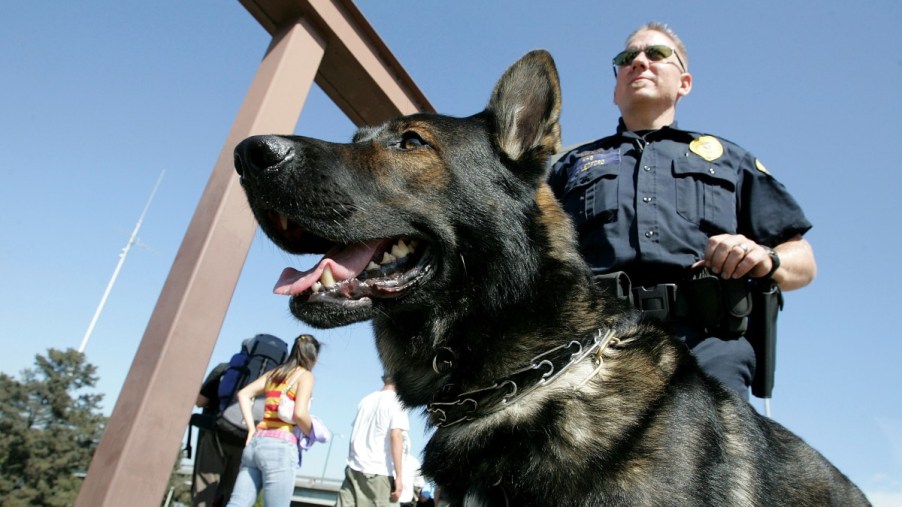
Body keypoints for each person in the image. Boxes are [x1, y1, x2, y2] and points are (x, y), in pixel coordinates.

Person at [548, 22, 816, 400]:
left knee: (714, 455)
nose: (639, 62)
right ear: (615, 90)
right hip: (592, 344)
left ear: (684, 83)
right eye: (627, 58)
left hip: (707, 344)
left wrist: (765, 257)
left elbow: (802, 261)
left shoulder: (729, 159)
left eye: (656, 54)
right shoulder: (569, 165)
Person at [226, 334, 321, 507]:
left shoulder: (273, 374)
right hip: (281, 446)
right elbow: (299, 413)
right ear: (313, 356)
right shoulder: (305, 376)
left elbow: (243, 394)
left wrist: (251, 429)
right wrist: (312, 432)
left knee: (237, 503)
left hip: (256, 442)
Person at [335, 374, 410, 507]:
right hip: (379, 472)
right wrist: (399, 476)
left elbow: (355, 433)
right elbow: (396, 436)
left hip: (354, 469)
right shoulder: (398, 402)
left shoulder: (366, 400)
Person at [191, 361, 242, 507]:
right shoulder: (269, 377)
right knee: (234, 495)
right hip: (245, 440)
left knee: (204, 492)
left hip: (216, 434)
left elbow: (200, 402)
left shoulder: (224, 369)